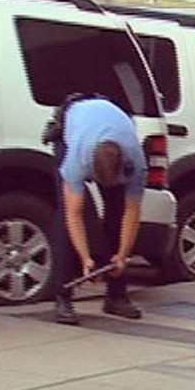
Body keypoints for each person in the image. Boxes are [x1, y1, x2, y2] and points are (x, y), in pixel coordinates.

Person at [47, 95, 147, 325]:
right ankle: (63, 296)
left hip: (113, 124)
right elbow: (74, 215)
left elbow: (132, 214)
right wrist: (85, 258)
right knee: (65, 215)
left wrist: (122, 256)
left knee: (117, 211)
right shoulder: (77, 160)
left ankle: (116, 296)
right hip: (72, 120)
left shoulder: (136, 160)